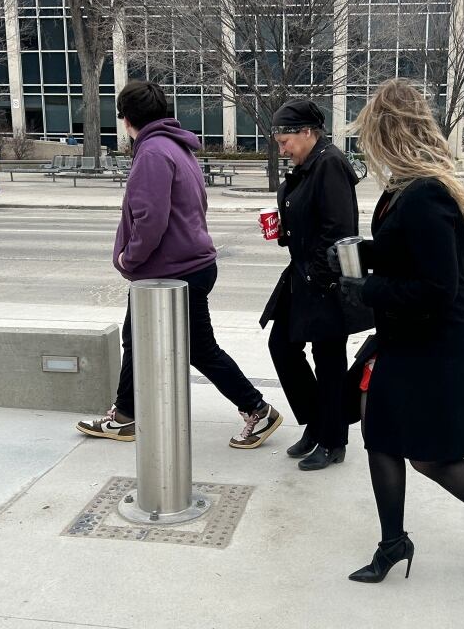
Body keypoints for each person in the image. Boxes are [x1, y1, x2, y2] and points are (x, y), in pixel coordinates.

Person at [76, 80, 281, 449]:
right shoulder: (175, 147)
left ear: (125, 119)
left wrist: (129, 257)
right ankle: (125, 414)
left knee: (199, 349)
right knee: (136, 338)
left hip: (170, 272)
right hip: (185, 267)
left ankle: (257, 409)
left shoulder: (152, 152)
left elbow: (150, 218)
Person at [336, 79, 464, 583]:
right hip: (410, 338)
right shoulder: (408, 185)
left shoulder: (425, 192)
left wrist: (367, 291)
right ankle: (393, 542)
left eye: (370, 132)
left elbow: (439, 287)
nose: (366, 143)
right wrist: (360, 253)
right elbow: (408, 253)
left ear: (388, 132)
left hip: (437, 343)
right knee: (380, 432)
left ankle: (394, 543)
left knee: (431, 457)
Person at [259, 99, 363, 471]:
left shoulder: (330, 163)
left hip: (324, 280)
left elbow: (339, 230)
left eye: (285, 140)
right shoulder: (307, 164)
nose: (281, 147)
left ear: (307, 132)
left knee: (329, 359)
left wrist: (318, 275)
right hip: (302, 275)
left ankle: (333, 439)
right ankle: (317, 422)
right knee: (281, 345)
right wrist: (284, 231)